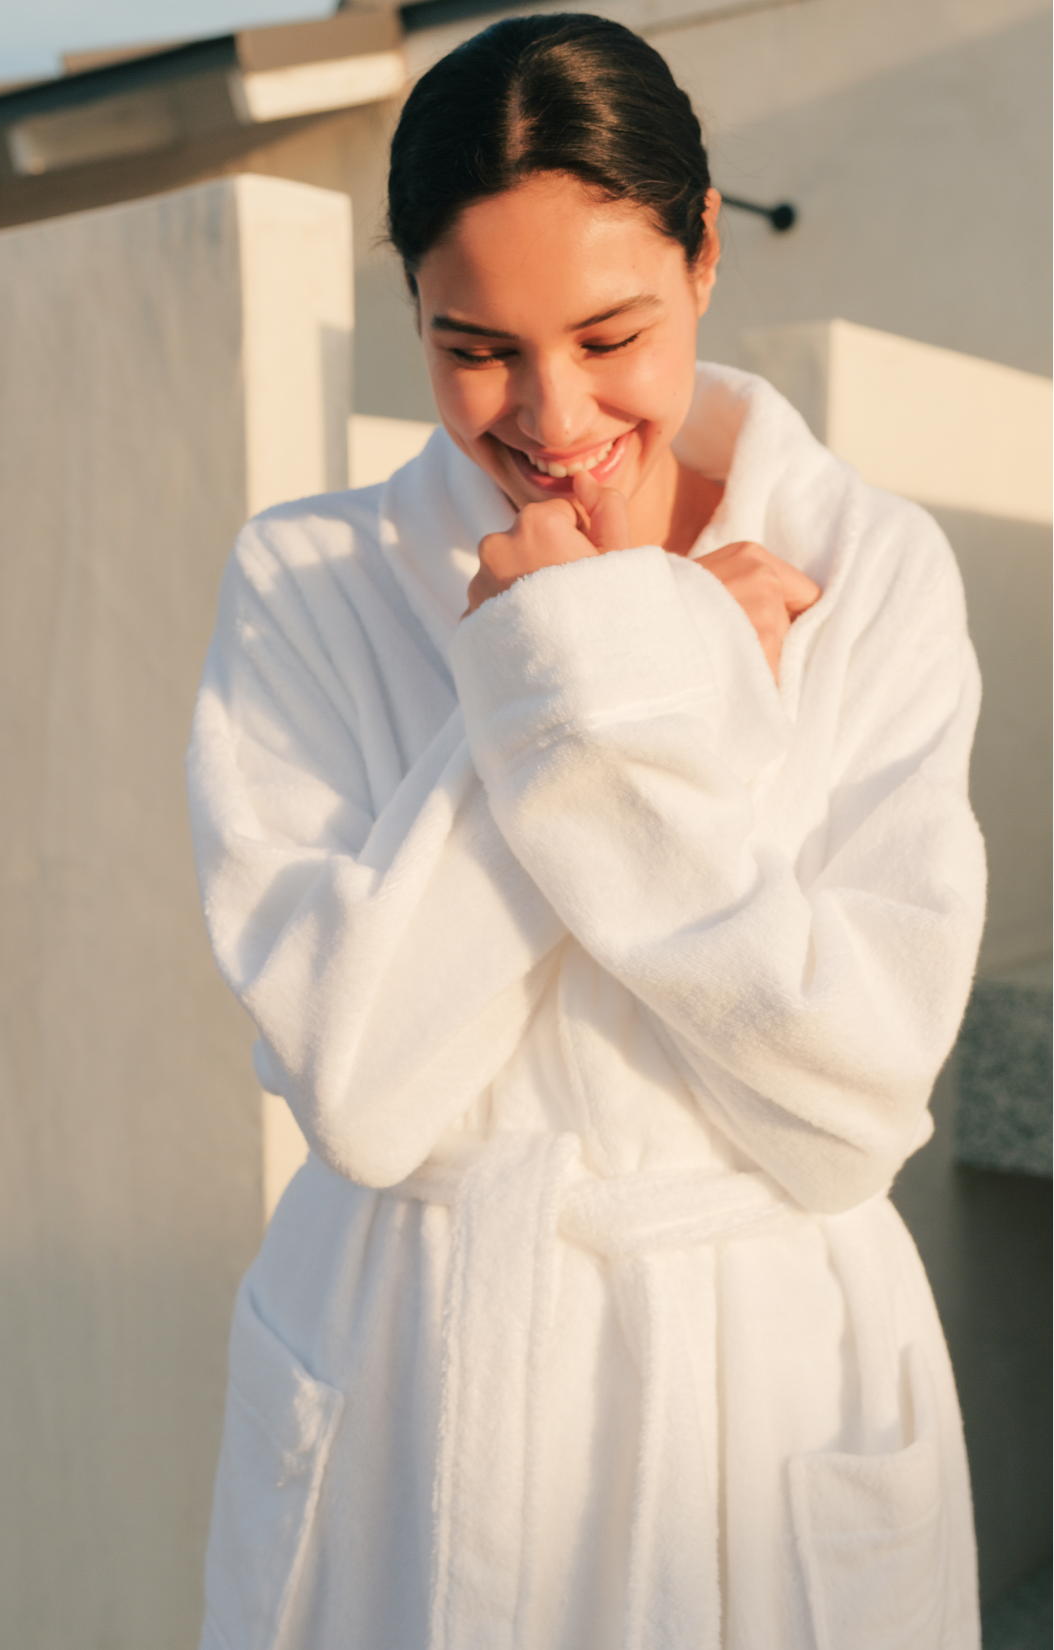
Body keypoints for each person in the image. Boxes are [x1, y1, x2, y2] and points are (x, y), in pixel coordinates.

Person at [187, 15, 986, 1649]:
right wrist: (629, 659)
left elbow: (852, 1103)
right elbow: (359, 1079)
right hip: (410, 1360)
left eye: (608, 331)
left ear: (703, 251)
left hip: (755, 1378)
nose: (551, 417)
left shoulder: (869, 569)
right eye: (472, 344)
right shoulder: (304, 584)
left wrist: (592, 672)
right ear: (407, 303)